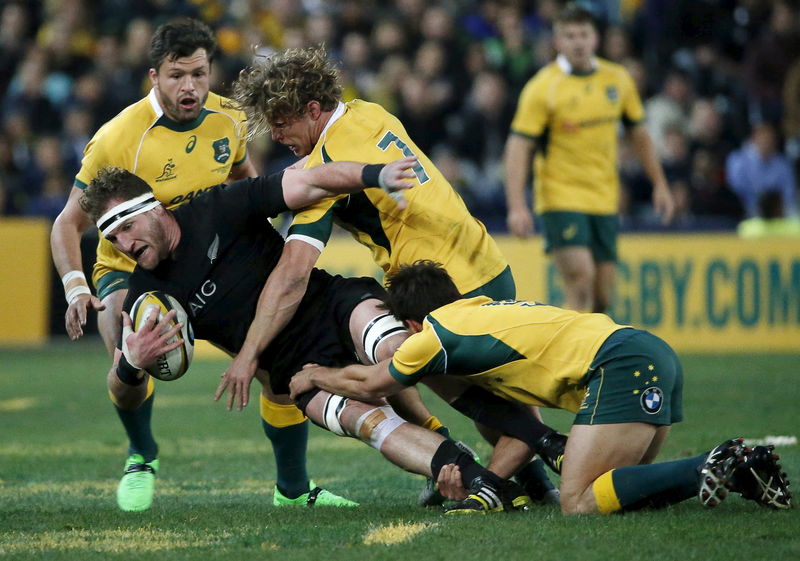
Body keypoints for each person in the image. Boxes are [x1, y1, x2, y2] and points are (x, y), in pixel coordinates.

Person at [80, 164, 532, 514]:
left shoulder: (217, 207)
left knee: (401, 353)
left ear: (154, 208)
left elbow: (311, 180)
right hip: (294, 367)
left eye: (125, 226)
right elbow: (120, 389)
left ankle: (537, 438)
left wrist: (374, 175)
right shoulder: (146, 295)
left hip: (333, 305)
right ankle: (477, 478)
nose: (121, 243)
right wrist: (131, 363)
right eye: (109, 236)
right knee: (365, 422)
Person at [220, 44, 558, 505]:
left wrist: (251, 350)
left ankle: (491, 480)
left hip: (439, 285)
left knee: (428, 378)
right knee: (492, 386)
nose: (277, 135)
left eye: (282, 123)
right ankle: (533, 481)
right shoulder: (367, 112)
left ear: (313, 110)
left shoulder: (327, 171)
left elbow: (294, 271)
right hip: (485, 259)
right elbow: (310, 166)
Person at [48, 18, 345, 512]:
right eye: (176, 75)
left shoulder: (227, 119)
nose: (190, 87)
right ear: (154, 77)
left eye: (200, 74)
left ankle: (291, 491)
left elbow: (243, 182)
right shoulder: (119, 138)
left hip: (211, 262)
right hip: (131, 268)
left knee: (277, 365)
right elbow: (65, 223)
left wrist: (266, 253)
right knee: (131, 359)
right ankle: (142, 454)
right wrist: (76, 287)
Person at [291, 260, 793, 515]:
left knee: (578, 502)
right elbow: (500, 411)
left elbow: (374, 381)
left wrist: (315, 375)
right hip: (645, 349)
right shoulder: (482, 312)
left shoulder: (433, 336)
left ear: (410, 321)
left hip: (618, 365)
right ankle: (734, 471)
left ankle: (717, 461)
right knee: (619, 491)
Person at [503, 4, 674, 313]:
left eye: (583, 34)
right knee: (580, 280)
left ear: (596, 38)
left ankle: (579, 353)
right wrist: (517, 205)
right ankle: (573, 359)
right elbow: (518, 146)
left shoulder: (617, 80)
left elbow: (639, 135)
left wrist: (660, 184)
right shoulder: (543, 88)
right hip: (560, 198)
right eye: (569, 36)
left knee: (602, 298)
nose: (578, 42)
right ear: (558, 42)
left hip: (604, 198)